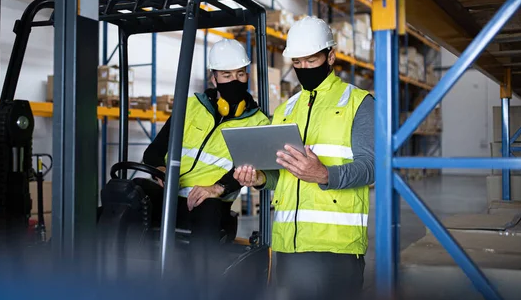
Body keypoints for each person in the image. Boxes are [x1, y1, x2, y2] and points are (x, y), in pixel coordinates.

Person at [233, 16, 375, 300]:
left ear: (330, 56)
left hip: (335, 246)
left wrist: (325, 175)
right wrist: (261, 178)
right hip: (287, 244)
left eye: (311, 60)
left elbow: (373, 168)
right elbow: (282, 174)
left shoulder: (358, 102)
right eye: (297, 63)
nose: (304, 68)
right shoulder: (286, 108)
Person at [140, 38, 270, 281]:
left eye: (241, 74)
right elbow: (153, 151)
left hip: (210, 201)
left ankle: (199, 288)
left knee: (207, 213)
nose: (235, 80)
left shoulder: (258, 121)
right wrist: (160, 170)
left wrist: (216, 189)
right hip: (169, 195)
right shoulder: (190, 106)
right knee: (128, 193)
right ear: (214, 78)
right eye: (226, 74)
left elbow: (243, 170)